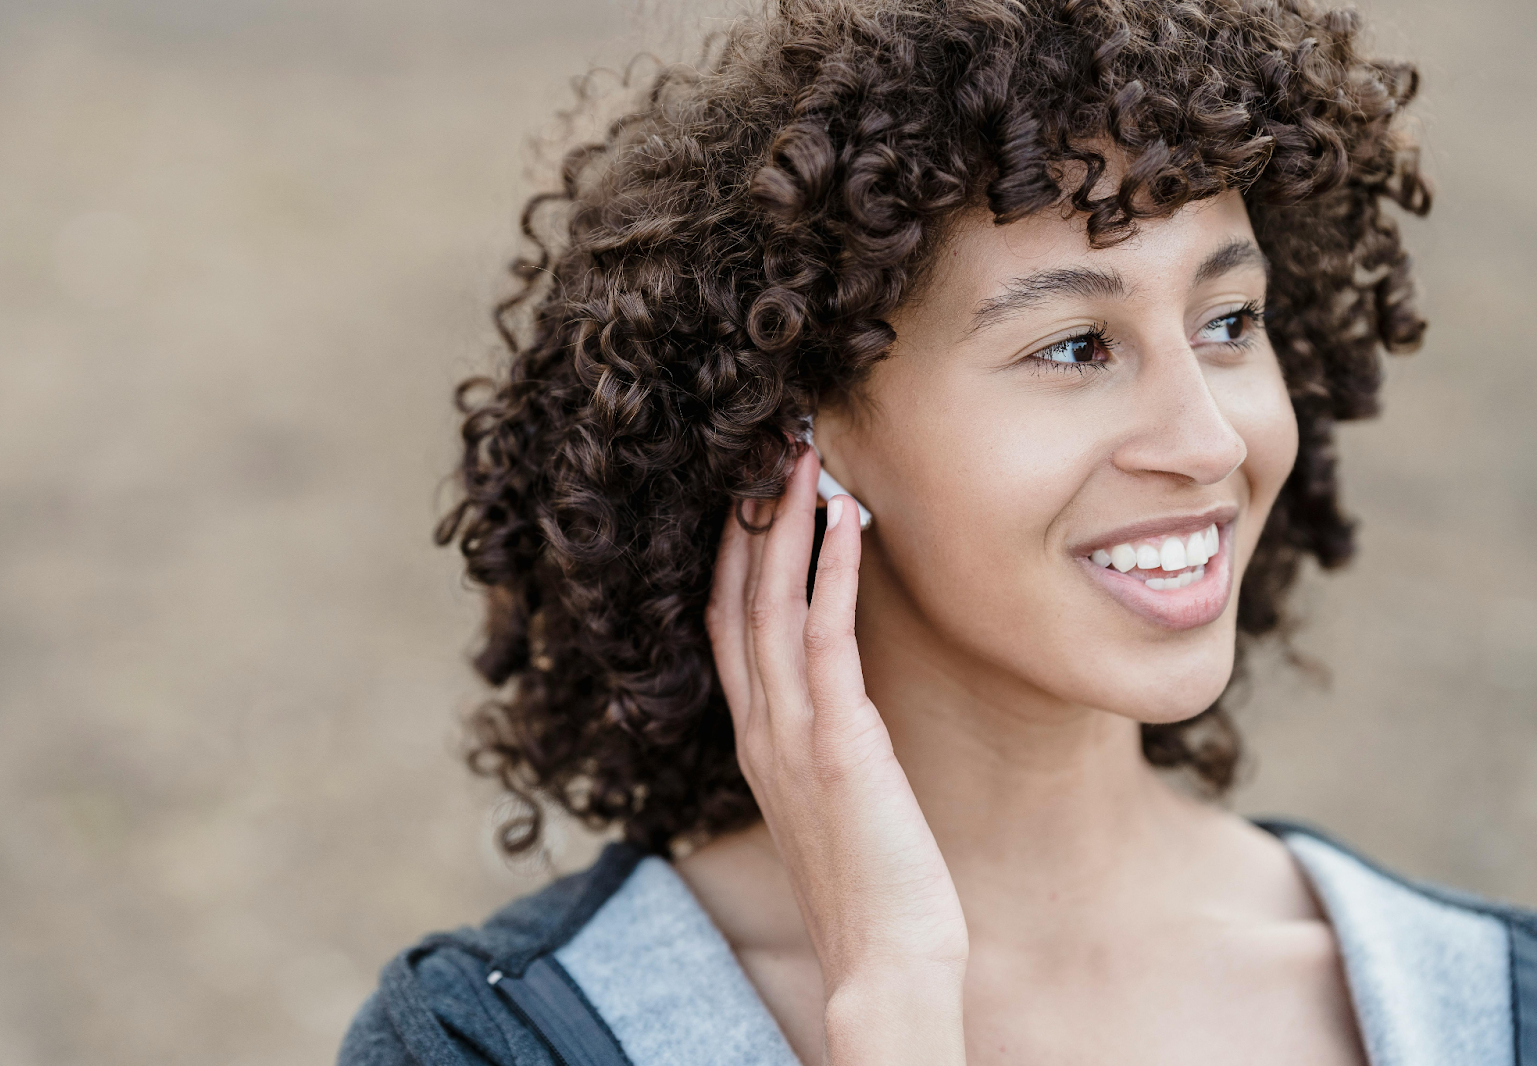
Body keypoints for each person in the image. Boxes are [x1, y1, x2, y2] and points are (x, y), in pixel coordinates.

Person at [339, 1, 1537, 1063]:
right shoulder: (495, 1041)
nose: (1210, 440)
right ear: (794, 432)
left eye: (1228, 321)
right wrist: (892, 1001)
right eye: (1074, 346)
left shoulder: (1495, 1007)